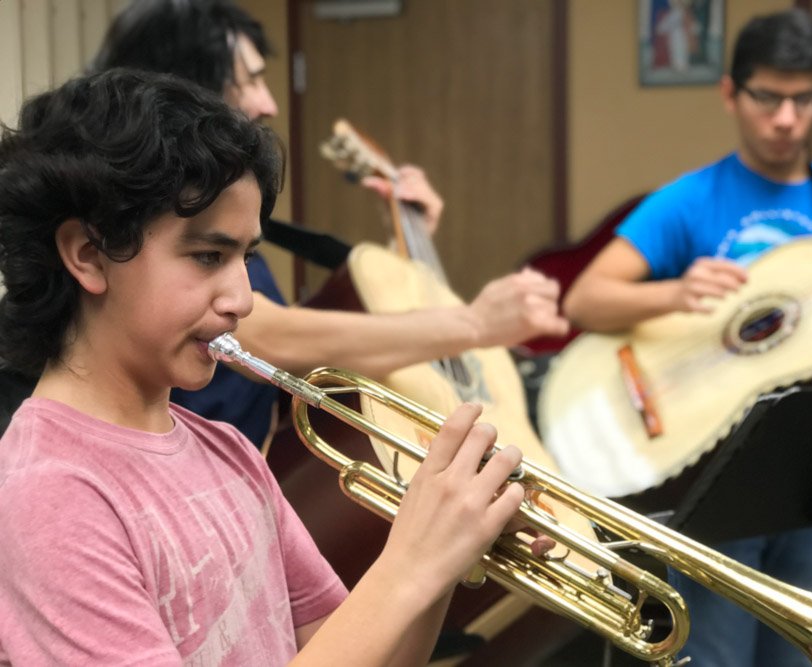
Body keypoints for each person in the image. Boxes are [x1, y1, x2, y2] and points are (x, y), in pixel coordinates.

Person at [0, 67, 536, 666]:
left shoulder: (228, 451)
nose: (243, 298)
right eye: (208, 256)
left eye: (245, 257)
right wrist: (409, 564)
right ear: (88, 255)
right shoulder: (48, 494)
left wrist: (443, 561)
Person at [562, 8, 812, 667]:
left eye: (801, 98)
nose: (784, 118)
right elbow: (584, 298)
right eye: (766, 97)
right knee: (712, 656)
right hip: (714, 469)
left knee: (799, 654)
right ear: (729, 93)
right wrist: (674, 291)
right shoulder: (690, 200)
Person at [89, 0, 568, 450]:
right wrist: (475, 323)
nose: (268, 104)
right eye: (251, 81)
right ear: (189, 88)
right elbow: (276, 337)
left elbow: (300, 334)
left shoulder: (206, 218)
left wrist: (406, 246)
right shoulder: (155, 220)